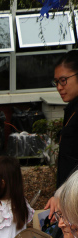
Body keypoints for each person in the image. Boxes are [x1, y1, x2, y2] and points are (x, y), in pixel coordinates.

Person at [46, 50, 78, 218]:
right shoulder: (71, 108)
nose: (59, 87)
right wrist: (58, 194)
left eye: (64, 80)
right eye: (56, 82)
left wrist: (63, 194)